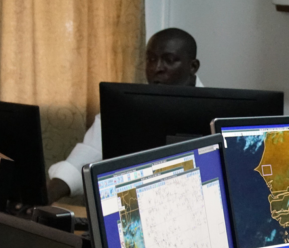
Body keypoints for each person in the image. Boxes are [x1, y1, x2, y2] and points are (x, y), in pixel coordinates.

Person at [47, 27, 203, 203]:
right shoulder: (126, 105)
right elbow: (87, 156)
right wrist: (46, 196)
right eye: (151, 59)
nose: (157, 68)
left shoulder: (216, 111)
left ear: (193, 67)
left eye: (168, 60)